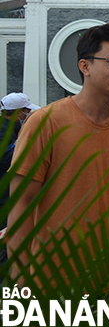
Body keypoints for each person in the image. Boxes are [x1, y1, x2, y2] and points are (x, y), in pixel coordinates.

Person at [7, 23, 109, 278]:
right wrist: (21, 279)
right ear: (85, 66)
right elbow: (21, 204)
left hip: (108, 279)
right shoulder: (45, 122)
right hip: (52, 281)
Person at [0, 93, 40, 266]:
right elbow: (6, 160)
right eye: (26, 112)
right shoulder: (5, 132)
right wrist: (23, 142)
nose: (27, 116)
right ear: (18, 114)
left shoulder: (8, 130)